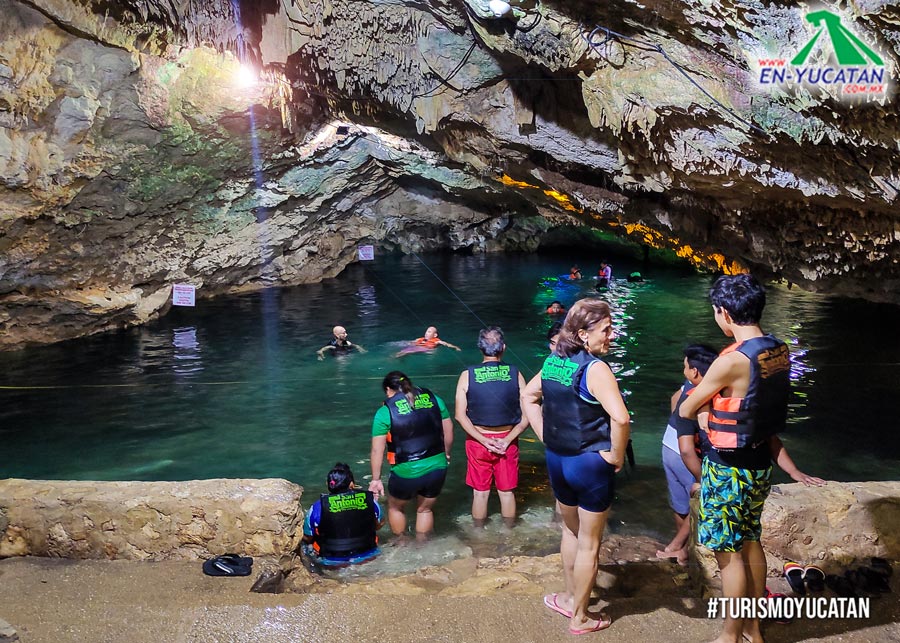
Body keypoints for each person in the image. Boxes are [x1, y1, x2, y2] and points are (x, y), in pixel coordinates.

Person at [680, 274, 824, 643]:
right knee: (751, 541)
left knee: (728, 554)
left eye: (716, 312)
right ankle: (754, 630)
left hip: (729, 468)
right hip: (760, 463)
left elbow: (688, 407)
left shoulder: (732, 361)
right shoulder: (776, 348)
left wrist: (705, 394)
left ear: (724, 313)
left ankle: (730, 635)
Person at [522, 299, 630, 635]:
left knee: (569, 531)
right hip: (589, 464)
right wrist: (616, 455)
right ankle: (581, 617)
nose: (612, 336)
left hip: (558, 460)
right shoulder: (595, 369)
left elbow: (528, 396)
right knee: (590, 543)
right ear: (583, 333)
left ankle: (570, 598)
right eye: (606, 330)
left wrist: (545, 436)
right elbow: (621, 417)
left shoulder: (554, 360)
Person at [455, 327, 530, 527]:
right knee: (506, 493)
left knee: (480, 493)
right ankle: (509, 533)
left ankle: (479, 535)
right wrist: (506, 439)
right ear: (503, 348)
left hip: (478, 440)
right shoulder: (515, 373)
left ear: (480, 349)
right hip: (508, 440)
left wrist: (484, 440)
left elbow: (460, 416)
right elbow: (528, 414)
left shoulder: (467, 375)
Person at [369, 371, 454, 538]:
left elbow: (377, 450)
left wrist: (376, 479)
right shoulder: (434, 398)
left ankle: (401, 545)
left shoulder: (385, 411)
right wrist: (447, 453)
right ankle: (423, 547)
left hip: (406, 471)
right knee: (425, 509)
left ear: (388, 390)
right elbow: (448, 431)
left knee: (395, 506)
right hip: (437, 466)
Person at [657, 344, 718, 566]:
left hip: (668, 442)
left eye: (685, 366)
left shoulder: (689, 384)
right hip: (686, 452)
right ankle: (679, 547)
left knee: (680, 502)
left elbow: (675, 399)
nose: (684, 369)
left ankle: (681, 550)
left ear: (694, 372)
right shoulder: (708, 389)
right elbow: (687, 449)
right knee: (702, 498)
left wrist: (679, 421)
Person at [302, 463, 384, 565]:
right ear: (351, 485)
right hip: (368, 555)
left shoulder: (317, 507)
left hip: (331, 561)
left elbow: (308, 537)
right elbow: (379, 525)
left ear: (327, 484)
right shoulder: (370, 501)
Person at [394, 326, 461, 357]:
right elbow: (412, 342)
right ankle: (396, 358)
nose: (426, 333)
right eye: (426, 331)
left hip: (425, 349)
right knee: (402, 351)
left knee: (406, 352)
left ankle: (393, 359)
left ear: (435, 335)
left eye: (429, 332)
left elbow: (446, 344)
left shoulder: (436, 341)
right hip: (417, 347)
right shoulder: (420, 339)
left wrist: (455, 347)